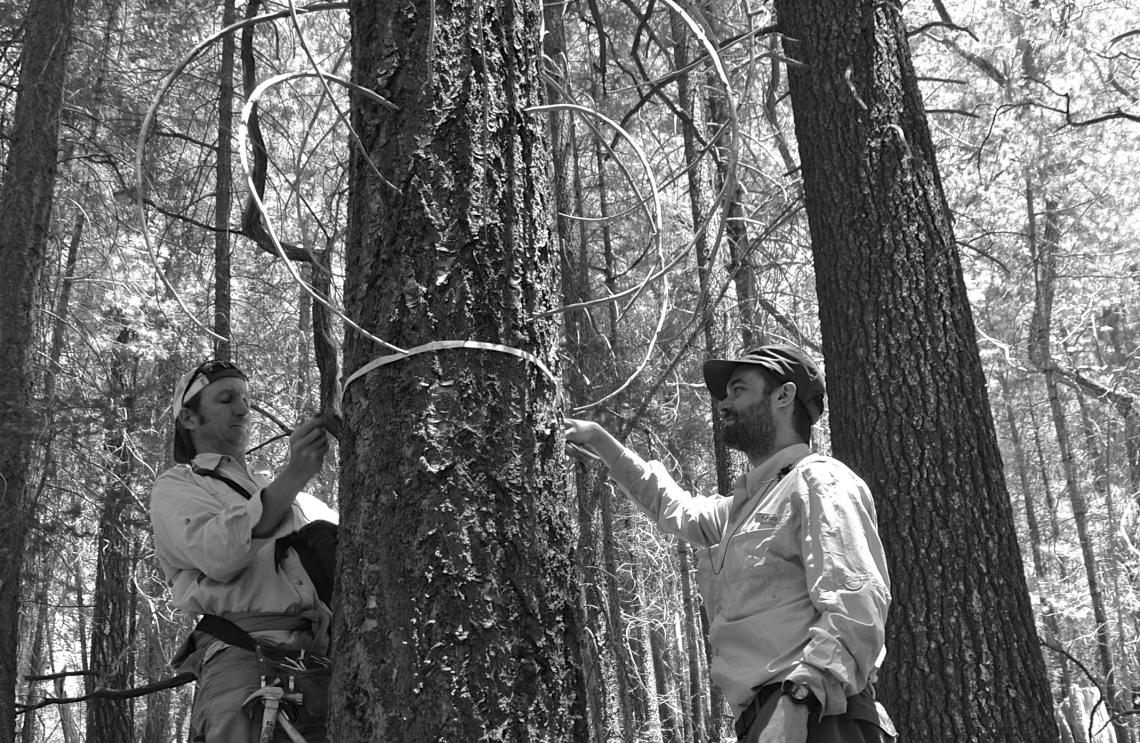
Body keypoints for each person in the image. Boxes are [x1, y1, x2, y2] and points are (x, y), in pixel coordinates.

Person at [565, 344, 896, 743]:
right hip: (773, 719)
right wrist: (603, 443)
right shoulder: (741, 509)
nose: (723, 404)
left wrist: (799, 698)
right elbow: (673, 506)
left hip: (817, 716)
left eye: (738, 389)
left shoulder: (819, 482)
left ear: (784, 396)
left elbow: (857, 604)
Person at [150, 359, 337, 742]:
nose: (243, 408)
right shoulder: (178, 486)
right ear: (189, 419)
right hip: (244, 660)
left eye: (246, 398)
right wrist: (295, 475)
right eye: (226, 398)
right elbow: (218, 553)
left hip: (320, 667)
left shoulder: (277, 490)